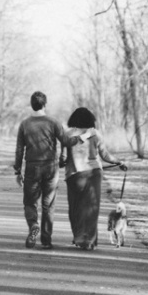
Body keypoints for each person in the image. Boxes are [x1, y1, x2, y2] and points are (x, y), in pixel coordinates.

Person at [13, 91, 92, 250]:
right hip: (50, 167)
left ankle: (33, 225)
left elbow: (19, 150)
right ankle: (46, 240)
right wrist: (83, 137)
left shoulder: (25, 124)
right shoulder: (53, 122)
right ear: (45, 104)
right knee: (48, 205)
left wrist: (17, 171)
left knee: (30, 202)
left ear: (32, 104)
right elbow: (66, 141)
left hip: (32, 167)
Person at [62, 107, 127, 250]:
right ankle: (89, 241)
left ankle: (79, 237)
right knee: (92, 209)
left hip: (74, 175)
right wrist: (119, 162)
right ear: (91, 119)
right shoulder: (95, 134)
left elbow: (62, 157)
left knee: (75, 208)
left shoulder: (67, 134)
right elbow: (105, 155)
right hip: (93, 175)